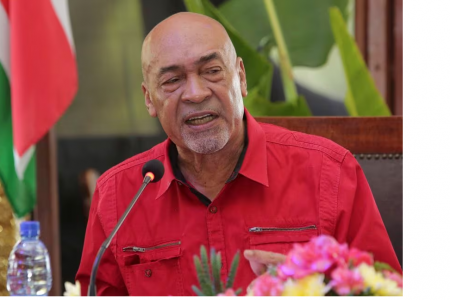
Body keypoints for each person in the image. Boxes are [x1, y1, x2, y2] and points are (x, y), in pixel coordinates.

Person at [76, 12, 401, 296]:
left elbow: (384, 289)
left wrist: (312, 285)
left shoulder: (328, 172)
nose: (196, 93)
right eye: (173, 80)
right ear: (149, 99)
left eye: (212, 71)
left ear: (241, 77)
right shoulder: (119, 196)